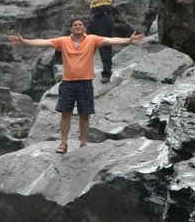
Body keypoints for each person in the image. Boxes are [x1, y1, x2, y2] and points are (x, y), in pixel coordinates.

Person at [10, 18, 144, 154]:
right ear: (71, 29)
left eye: (80, 25)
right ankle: (63, 143)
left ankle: (83, 143)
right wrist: (25, 41)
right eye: (75, 25)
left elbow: (110, 40)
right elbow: (44, 42)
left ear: (84, 28)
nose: (78, 27)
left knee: (84, 114)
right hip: (68, 83)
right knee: (65, 113)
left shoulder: (92, 39)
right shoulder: (63, 41)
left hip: (85, 83)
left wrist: (128, 40)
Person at [86, 0, 115, 83]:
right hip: (96, 17)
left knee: (104, 46)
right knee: (86, 43)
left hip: (102, 17)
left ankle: (106, 74)